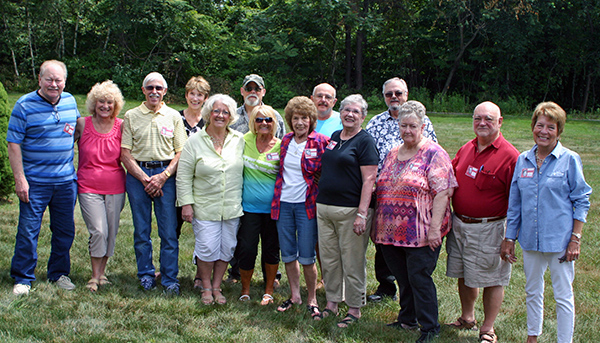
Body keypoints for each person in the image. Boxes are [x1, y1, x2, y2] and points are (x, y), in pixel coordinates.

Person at [501, 102, 592, 343]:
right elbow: (515, 203)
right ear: (532, 127)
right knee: (532, 291)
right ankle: (533, 336)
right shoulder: (523, 160)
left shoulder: (570, 160)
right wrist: (510, 238)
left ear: (559, 131)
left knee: (563, 295)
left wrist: (575, 239)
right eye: (539, 125)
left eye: (550, 127)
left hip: (560, 241)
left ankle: (565, 340)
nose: (544, 131)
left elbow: (581, 201)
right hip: (530, 240)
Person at [374, 101, 457, 343]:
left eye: (412, 126)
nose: (407, 130)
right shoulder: (392, 152)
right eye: (403, 125)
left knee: (419, 278)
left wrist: (434, 230)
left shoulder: (434, 153)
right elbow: (383, 188)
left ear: (422, 126)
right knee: (403, 277)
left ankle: (430, 326)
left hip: (421, 232)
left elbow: (443, 192)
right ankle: (407, 318)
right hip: (389, 232)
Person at [444, 101, 520, 343]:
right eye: (478, 118)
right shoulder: (467, 148)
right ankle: (467, 317)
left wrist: (510, 237)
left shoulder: (510, 156)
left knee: (492, 278)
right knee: (464, 273)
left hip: (490, 227)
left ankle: (488, 328)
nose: (482, 123)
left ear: (500, 122)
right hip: (460, 224)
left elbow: (518, 201)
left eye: (488, 119)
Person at [7, 60, 79, 295]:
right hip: (35, 182)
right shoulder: (24, 105)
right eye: (49, 79)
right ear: (39, 80)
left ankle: (58, 273)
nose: (54, 84)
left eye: (58, 80)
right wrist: (20, 179)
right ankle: (23, 277)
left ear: (65, 82)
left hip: (66, 182)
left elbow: (77, 130)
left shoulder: (70, 101)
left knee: (65, 230)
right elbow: (13, 144)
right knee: (29, 230)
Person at [365, 77, 437, 303]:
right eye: (389, 94)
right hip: (383, 194)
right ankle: (386, 285)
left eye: (398, 93)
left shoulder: (423, 122)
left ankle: (410, 285)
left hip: (413, 197)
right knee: (383, 242)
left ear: (406, 94)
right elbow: (367, 155)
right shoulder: (376, 123)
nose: (393, 97)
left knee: (410, 244)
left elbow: (432, 154)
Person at [316, 94, 378, 328]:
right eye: (346, 110)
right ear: (340, 113)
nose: (350, 114)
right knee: (330, 260)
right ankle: (332, 303)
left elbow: (369, 179)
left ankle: (354, 308)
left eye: (355, 112)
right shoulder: (335, 137)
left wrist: (362, 213)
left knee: (352, 262)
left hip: (351, 211)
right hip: (325, 208)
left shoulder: (365, 141)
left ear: (363, 116)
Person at [121, 72, 186, 295]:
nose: (154, 92)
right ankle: (146, 274)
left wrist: (163, 176)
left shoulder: (173, 117)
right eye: (150, 88)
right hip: (138, 175)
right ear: (143, 90)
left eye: (159, 88)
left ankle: (169, 279)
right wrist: (144, 178)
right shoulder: (131, 115)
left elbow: (180, 152)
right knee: (142, 230)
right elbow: (125, 153)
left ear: (165, 91)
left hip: (166, 177)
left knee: (168, 231)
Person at [176, 94, 244, 305]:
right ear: (208, 113)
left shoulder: (239, 140)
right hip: (205, 206)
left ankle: (217, 286)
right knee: (206, 247)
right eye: (216, 111)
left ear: (231, 116)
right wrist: (186, 204)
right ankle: (205, 286)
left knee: (227, 248)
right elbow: (184, 175)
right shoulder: (195, 140)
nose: (220, 115)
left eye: (225, 112)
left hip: (232, 206)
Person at [271, 96, 329, 318]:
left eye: (304, 118)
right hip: (283, 204)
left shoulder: (321, 142)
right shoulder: (285, 141)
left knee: (307, 255)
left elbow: (331, 169)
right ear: (290, 120)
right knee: (288, 253)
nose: (300, 123)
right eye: (295, 118)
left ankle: (312, 297)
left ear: (311, 120)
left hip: (307, 206)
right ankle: (295, 295)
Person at [227, 73, 285, 284]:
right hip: (244, 193)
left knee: (272, 243)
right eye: (248, 88)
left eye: (256, 88)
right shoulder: (232, 116)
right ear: (242, 91)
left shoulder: (275, 117)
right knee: (243, 240)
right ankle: (236, 274)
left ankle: (273, 278)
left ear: (263, 91)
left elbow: (282, 149)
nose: (252, 92)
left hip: (271, 200)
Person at [74, 80, 127, 292]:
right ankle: (94, 276)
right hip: (88, 185)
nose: (105, 106)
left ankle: (102, 272)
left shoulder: (121, 126)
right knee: (98, 230)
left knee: (111, 231)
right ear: (93, 103)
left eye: (110, 103)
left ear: (116, 106)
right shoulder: (82, 124)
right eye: (101, 102)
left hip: (115, 185)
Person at [237, 105, 281, 305]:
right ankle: (245, 289)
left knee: (271, 249)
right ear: (252, 123)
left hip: (274, 209)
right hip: (248, 209)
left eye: (268, 120)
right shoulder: (243, 141)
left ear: (274, 123)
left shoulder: (281, 145)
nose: (264, 123)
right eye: (259, 120)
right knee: (246, 248)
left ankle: (269, 290)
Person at [175, 76, 211, 291]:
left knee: (203, 231)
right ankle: (170, 271)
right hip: (177, 179)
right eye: (192, 93)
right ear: (186, 95)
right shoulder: (175, 118)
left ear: (205, 98)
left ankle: (200, 275)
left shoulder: (209, 121)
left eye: (200, 95)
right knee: (172, 229)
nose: (195, 98)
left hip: (203, 183)